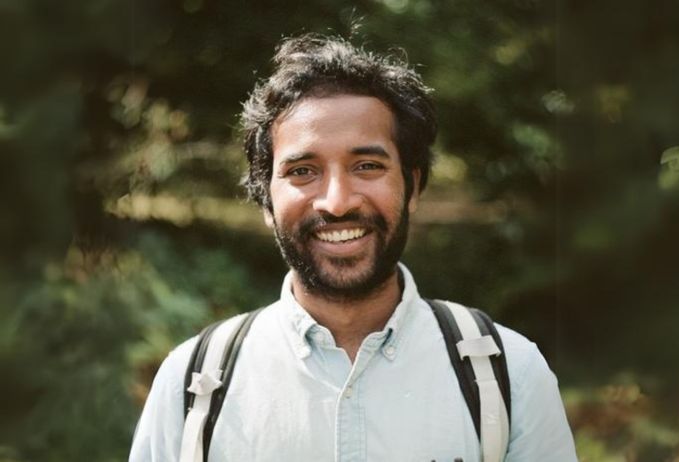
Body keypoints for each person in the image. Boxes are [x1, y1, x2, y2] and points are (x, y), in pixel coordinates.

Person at [129, 34, 577, 462]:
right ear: (265, 198)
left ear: (413, 186)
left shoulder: (509, 375)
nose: (337, 202)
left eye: (367, 165)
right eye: (303, 171)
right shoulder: (192, 385)